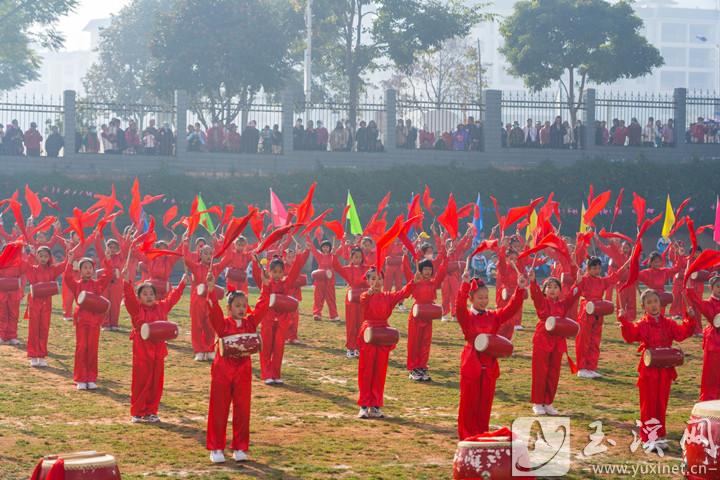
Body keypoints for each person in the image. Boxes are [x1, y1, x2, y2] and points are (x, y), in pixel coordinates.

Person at [618, 290, 696, 452]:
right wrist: (624, 321)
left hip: (665, 369)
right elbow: (630, 336)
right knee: (648, 404)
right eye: (649, 302)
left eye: (655, 301)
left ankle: (659, 435)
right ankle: (648, 438)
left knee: (661, 403)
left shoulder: (668, 323)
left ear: (660, 304)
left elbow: (682, 334)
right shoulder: (642, 324)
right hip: (649, 369)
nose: (653, 305)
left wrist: (690, 318)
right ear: (643, 306)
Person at [206, 271, 270, 463]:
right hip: (222, 370)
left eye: (244, 306)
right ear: (229, 308)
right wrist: (210, 291)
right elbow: (213, 311)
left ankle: (240, 447)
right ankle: (216, 448)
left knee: (243, 409)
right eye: (237, 306)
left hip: (243, 370)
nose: (242, 309)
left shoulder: (250, 324)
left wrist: (265, 286)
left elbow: (262, 307)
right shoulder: (223, 325)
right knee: (219, 408)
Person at [455, 269, 527, 439]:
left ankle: (481, 433)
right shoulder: (467, 317)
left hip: (489, 365)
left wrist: (520, 289)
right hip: (471, 362)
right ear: (471, 299)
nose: (484, 301)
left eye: (486, 297)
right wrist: (464, 286)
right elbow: (459, 307)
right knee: (468, 402)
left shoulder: (493, 316)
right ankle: (466, 435)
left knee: (485, 403)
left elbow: (511, 309)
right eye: (480, 298)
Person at [123, 266, 186, 423]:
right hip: (142, 350)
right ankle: (137, 412)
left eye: (151, 293)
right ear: (139, 297)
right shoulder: (136, 309)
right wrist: (126, 282)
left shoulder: (161, 306)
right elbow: (129, 297)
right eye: (145, 294)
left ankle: (152, 411)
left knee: (156, 381)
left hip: (158, 350)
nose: (149, 296)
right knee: (141, 380)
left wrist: (182, 284)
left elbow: (173, 298)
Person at [357, 267, 415, 419]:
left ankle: (375, 405)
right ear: (368, 281)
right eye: (373, 279)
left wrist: (414, 281)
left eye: (380, 279)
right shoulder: (366, 295)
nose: (377, 282)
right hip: (369, 333)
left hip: (383, 333)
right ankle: (363, 405)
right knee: (366, 370)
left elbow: (403, 293)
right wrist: (369, 293)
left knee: (380, 371)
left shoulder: (388, 296)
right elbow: (363, 299)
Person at [251, 248, 308, 384]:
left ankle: (276, 374)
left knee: (278, 348)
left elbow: (294, 272)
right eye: (274, 272)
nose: (277, 275)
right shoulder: (266, 283)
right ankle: (267, 374)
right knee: (266, 348)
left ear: (283, 273)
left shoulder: (286, 283)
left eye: (280, 272)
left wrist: (300, 256)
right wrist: (254, 263)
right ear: (269, 272)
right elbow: (256, 277)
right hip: (268, 321)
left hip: (282, 321)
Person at [527, 270, 579, 415]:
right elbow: (535, 295)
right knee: (540, 371)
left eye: (555, 287)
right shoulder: (542, 302)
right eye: (549, 287)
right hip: (542, 339)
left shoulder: (563, 305)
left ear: (560, 291)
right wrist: (532, 281)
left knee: (553, 372)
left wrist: (578, 282)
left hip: (557, 341)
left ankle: (548, 402)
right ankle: (537, 403)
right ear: (544, 291)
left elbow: (572, 296)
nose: (552, 290)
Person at [63, 246, 113, 390]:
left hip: (95, 321)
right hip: (81, 320)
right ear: (80, 270)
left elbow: (108, 276)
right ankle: (80, 378)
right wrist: (70, 260)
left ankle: (91, 378)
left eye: (90, 267)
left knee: (92, 348)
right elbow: (67, 277)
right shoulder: (77, 285)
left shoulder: (97, 285)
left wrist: (108, 259)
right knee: (81, 347)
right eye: (85, 267)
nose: (88, 270)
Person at [575, 256, 628, 378]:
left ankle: (591, 367)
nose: (597, 270)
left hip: (598, 312)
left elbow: (615, 276)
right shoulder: (584, 280)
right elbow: (577, 286)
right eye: (594, 268)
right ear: (588, 269)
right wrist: (578, 280)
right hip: (586, 312)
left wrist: (628, 262)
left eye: (598, 268)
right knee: (584, 341)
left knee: (595, 341)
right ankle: (581, 368)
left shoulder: (602, 281)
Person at [402, 252, 448, 382]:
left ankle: (422, 367)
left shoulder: (433, 283)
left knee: (425, 343)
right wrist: (405, 256)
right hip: (416, 316)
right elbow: (405, 270)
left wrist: (446, 256)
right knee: (414, 343)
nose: (427, 272)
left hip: (428, 316)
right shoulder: (415, 282)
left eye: (429, 270)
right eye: (425, 269)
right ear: (420, 271)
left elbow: (442, 273)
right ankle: (413, 369)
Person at [183, 242, 232, 361]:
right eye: (205, 253)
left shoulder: (215, 268)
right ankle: (199, 350)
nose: (208, 256)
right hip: (198, 301)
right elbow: (185, 259)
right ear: (200, 254)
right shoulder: (196, 267)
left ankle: (209, 349)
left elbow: (229, 258)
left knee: (210, 326)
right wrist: (185, 243)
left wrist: (221, 244)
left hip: (210, 299)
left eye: (211, 253)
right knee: (197, 326)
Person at [23, 246, 67, 367]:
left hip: (47, 303)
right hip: (34, 302)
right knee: (33, 329)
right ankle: (33, 355)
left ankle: (41, 355)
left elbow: (64, 265)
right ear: (37, 256)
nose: (43, 258)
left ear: (49, 258)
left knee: (44, 329)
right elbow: (23, 264)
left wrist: (69, 252)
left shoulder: (52, 270)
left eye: (46, 256)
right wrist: (28, 253)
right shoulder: (32, 269)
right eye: (40, 256)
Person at [686, 275, 720, 401]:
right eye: (718, 286)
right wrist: (688, 286)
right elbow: (695, 301)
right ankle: (710, 398)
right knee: (711, 373)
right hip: (714, 341)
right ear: (711, 288)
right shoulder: (707, 303)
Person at [333, 246, 369, 358]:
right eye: (355, 257)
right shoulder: (347, 269)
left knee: (362, 323)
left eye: (360, 257)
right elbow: (335, 265)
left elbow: (374, 275)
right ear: (351, 258)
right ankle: (350, 348)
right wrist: (336, 253)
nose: (358, 259)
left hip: (363, 299)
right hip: (352, 300)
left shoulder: (367, 269)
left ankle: (359, 347)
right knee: (351, 324)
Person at [308, 239, 339, 322]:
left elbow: (340, 250)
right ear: (321, 248)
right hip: (320, 280)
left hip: (330, 280)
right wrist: (307, 236)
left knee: (331, 298)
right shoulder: (319, 255)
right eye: (324, 247)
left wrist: (343, 240)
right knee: (318, 298)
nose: (325, 248)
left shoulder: (333, 256)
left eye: (327, 247)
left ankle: (334, 315)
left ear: (330, 248)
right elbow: (313, 249)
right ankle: (317, 314)